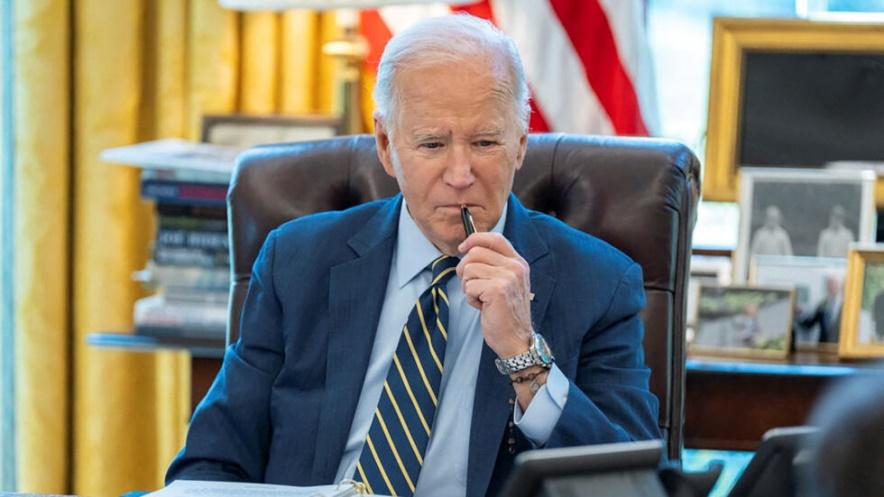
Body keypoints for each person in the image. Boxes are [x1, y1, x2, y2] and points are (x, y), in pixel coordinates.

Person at [165, 14, 660, 497]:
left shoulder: (599, 281)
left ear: (520, 145)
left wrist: (524, 356)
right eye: (432, 144)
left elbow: (632, 485)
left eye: (485, 142)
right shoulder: (297, 261)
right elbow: (211, 462)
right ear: (386, 144)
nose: (461, 173)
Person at [796, 272, 843, 344]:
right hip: (823, 347)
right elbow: (810, 324)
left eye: (834, 283)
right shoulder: (822, 304)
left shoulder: (846, 305)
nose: (832, 286)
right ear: (827, 286)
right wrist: (799, 314)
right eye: (829, 284)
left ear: (839, 285)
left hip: (839, 346)